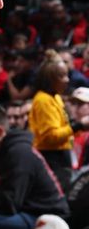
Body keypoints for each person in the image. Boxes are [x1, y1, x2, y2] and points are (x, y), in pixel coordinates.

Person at [28, 57, 74, 191]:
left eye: (67, 74)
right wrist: (78, 126)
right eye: (62, 76)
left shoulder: (56, 97)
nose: (67, 80)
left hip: (62, 155)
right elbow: (50, 136)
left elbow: (63, 128)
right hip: (51, 158)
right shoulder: (43, 100)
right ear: (50, 79)